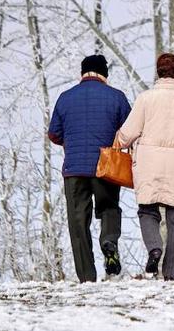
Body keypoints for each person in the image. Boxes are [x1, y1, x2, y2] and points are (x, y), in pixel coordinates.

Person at [118, 53, 174, 281]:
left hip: (148, 163)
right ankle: (170, 274)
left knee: (147, 210)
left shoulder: (145, 99)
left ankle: (154, 248)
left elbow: (128, 134)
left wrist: (118, 142)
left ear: (157, 73)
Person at [48, 54, 131, 283]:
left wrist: (70, 142)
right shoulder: (117, 97)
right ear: (104, 73)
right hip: (106, 167)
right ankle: (109, 240)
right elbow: (129, 132)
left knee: (78, 223)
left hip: (74, 170)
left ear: (82, 72)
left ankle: (87, 277)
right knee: (109, 208)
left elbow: (54, 133)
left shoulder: (65, 98)